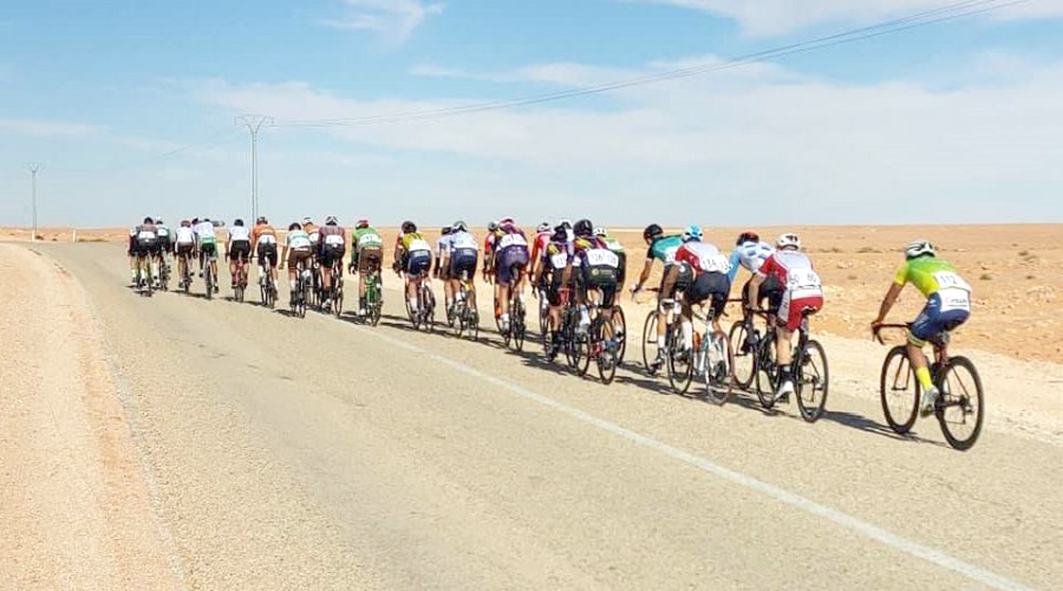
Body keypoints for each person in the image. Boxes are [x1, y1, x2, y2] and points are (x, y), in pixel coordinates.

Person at [871, 240, 971, 416]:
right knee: (938, 336)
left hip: (940, 304)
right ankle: (943, 381)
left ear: (909, 254)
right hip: (963, 305)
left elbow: (890, 297)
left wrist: (879, 319)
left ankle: (928, 389)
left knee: (914, 343)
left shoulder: (908, 266)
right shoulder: (944, 264)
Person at [749, 233, 824, 402]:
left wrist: (754, 306)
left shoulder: (774, 257)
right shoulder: (806, 258)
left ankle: (786, 379)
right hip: (817, 296)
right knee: (801, 315)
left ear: (779, 246)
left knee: (783, 336)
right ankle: (805, 347)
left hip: (794, 296)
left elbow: (755, 283)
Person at [630, 223, 685, 369]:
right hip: (688, 272)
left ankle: (661, 353)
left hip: (671, 273)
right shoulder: (677, 239)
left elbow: (646, 273)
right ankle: (684, 339)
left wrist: (639, 286)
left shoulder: (653, 246)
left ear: (648, 239)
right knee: (684, 306)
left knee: (662, 311)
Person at [673, 226, 731, 354]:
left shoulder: (683, 248)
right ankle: (723, 360)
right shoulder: (712, 247)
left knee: (685, 305)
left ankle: (688, 347)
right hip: (724, 282)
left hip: (704, 281)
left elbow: (674, 273)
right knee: (713, 320)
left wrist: (668, 289)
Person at [565, 219, 620, 336]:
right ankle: (608, 346)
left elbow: (571, 264)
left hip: (591, 271)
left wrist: (566, 282)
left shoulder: (575, 242)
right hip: (611, 272)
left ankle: (585, 317)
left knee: (579, 288)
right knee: (606, 311)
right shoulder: (600, 241)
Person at [533, 225, 574, 357]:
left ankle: (556, 338)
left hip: (558, 278)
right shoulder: (571, 245)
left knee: (554, 307)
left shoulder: (549, 246)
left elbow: (541, 266)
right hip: (573, 277)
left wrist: (535, 281)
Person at [729, 232, 780, 318]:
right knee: (774, 308)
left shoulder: (739, 249)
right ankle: (772, 327)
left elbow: (730, 272)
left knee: (748, 294)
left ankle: (749, 323)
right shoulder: (767, 246)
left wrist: (724, 292)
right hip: (777, 280)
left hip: (760, 279)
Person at [492, 218, 530, 333]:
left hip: (507, 254)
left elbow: (494, 254)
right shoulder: (519, 231)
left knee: (503, 287)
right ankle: (521, 298)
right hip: (523, 253)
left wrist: (493, 269)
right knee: (520, 276)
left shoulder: (499, 233)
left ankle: (505, 319)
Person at [394, 221, 433, 319]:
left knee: (412, 281)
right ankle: (429, 291)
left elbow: (398, 252)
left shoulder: (403, 236)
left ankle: (414, 308)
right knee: (425, 274)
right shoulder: (420, 235)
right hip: (427, 254)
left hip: (415, 256)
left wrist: (398, 264)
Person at [350, 219, 384, 317]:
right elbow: (382, 248)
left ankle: (362, 308)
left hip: (365, 251)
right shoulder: (375, 232)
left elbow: (354, 251)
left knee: (363, 277)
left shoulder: (356, 233)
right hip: (377, 251)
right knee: (376, 271)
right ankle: (378, 285)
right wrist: (380, 265)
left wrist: (353, 263)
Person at [446, 221, 479, 319]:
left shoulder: (452, 237)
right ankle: (473, 309)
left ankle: (459, 298)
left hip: (459, 254)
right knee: (470, 281)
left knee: (454, 277)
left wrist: (444, 271)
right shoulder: (470, 236)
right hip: (472, 254)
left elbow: (448, 256)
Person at [281, 222, 313, 307]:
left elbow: (285, 249)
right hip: (307, 250)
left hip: (295, 251)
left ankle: (293, 291)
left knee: (292, 270)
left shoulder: (288, 234)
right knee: (307, 265)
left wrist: (282, 262)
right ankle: (307, 275)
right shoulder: (305, 233)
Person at [317, 215, 346, 308]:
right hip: (340, 249)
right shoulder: (341, 229)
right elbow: (344, 242)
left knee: (327, 272)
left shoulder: (322, 229)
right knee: (339, 261)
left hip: (328, 250)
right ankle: (340, 274)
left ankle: (327, 298)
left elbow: (319, 243)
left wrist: (319, 257)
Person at [595, 226, 627, 292]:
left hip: (611, 255)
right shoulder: (612, 239)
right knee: (619, 279)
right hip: (622, 255)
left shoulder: (597, 240)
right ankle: (617, 300)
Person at [128, 217, 158, 286]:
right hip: (152, 244)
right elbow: (157, 238)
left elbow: (136, 237)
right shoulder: (154, 228)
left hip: (142, 244)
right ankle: (155, 273)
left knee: (142, 259)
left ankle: (143, 276)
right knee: (154, 257)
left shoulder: (140, 227)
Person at [251, 216, 279, 288]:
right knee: (273, 266)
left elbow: (253, 243)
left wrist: (252, 253)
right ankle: (276, 285)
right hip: (272, 244)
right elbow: (276, 240)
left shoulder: (256, 228)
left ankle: (261, 274)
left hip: (262, 244)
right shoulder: (271, 227)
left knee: (261, 261)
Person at [193, 217, 219, 292]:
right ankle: (216, 282)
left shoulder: (197, 226)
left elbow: (195, 237)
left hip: (203, 241)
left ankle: (201, 269)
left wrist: (195, 250)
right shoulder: (210, 224)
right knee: (213, 261)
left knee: (201, 253)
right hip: (212, 240)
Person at [225, 219, 252, 290]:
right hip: (245, 243)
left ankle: (234, 278)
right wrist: (251, 251)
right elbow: (251, 239)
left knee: (233, 261)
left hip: (236, 243)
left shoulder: (231, 229)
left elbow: (227, 241)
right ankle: (245, 277)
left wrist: (227, 251)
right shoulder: (246, 229)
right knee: (245, 261)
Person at [435, 225, 454, 311]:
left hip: (449, 259)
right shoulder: (456, 238)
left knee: (447, 281)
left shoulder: (441, 239)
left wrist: (437, 269)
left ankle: (450, 303)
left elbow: (438, 256)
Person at [173, 220, 196, 287]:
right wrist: (195, 251)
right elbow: (194, 241)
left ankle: (180, 279)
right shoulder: (190, 230)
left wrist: (175, 251)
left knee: (181, 261)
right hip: (189, 244)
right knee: (190, 256)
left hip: (181, 244)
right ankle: (191, 268)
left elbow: (176, 240)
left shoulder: (178, 230)